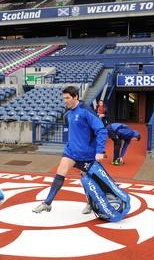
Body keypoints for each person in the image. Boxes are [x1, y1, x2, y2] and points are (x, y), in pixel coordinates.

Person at [32, 86, 107, 214]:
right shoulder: (68, 115)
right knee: (61, 170)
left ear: (76, 97)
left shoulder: (86, 111)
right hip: (71, 151)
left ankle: (90, 202)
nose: (65, 101)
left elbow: (101, 130)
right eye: (64, 98)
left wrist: (99, 151)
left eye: (67, 98)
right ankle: (47, 203)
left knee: (86, 179)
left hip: (86, 154)